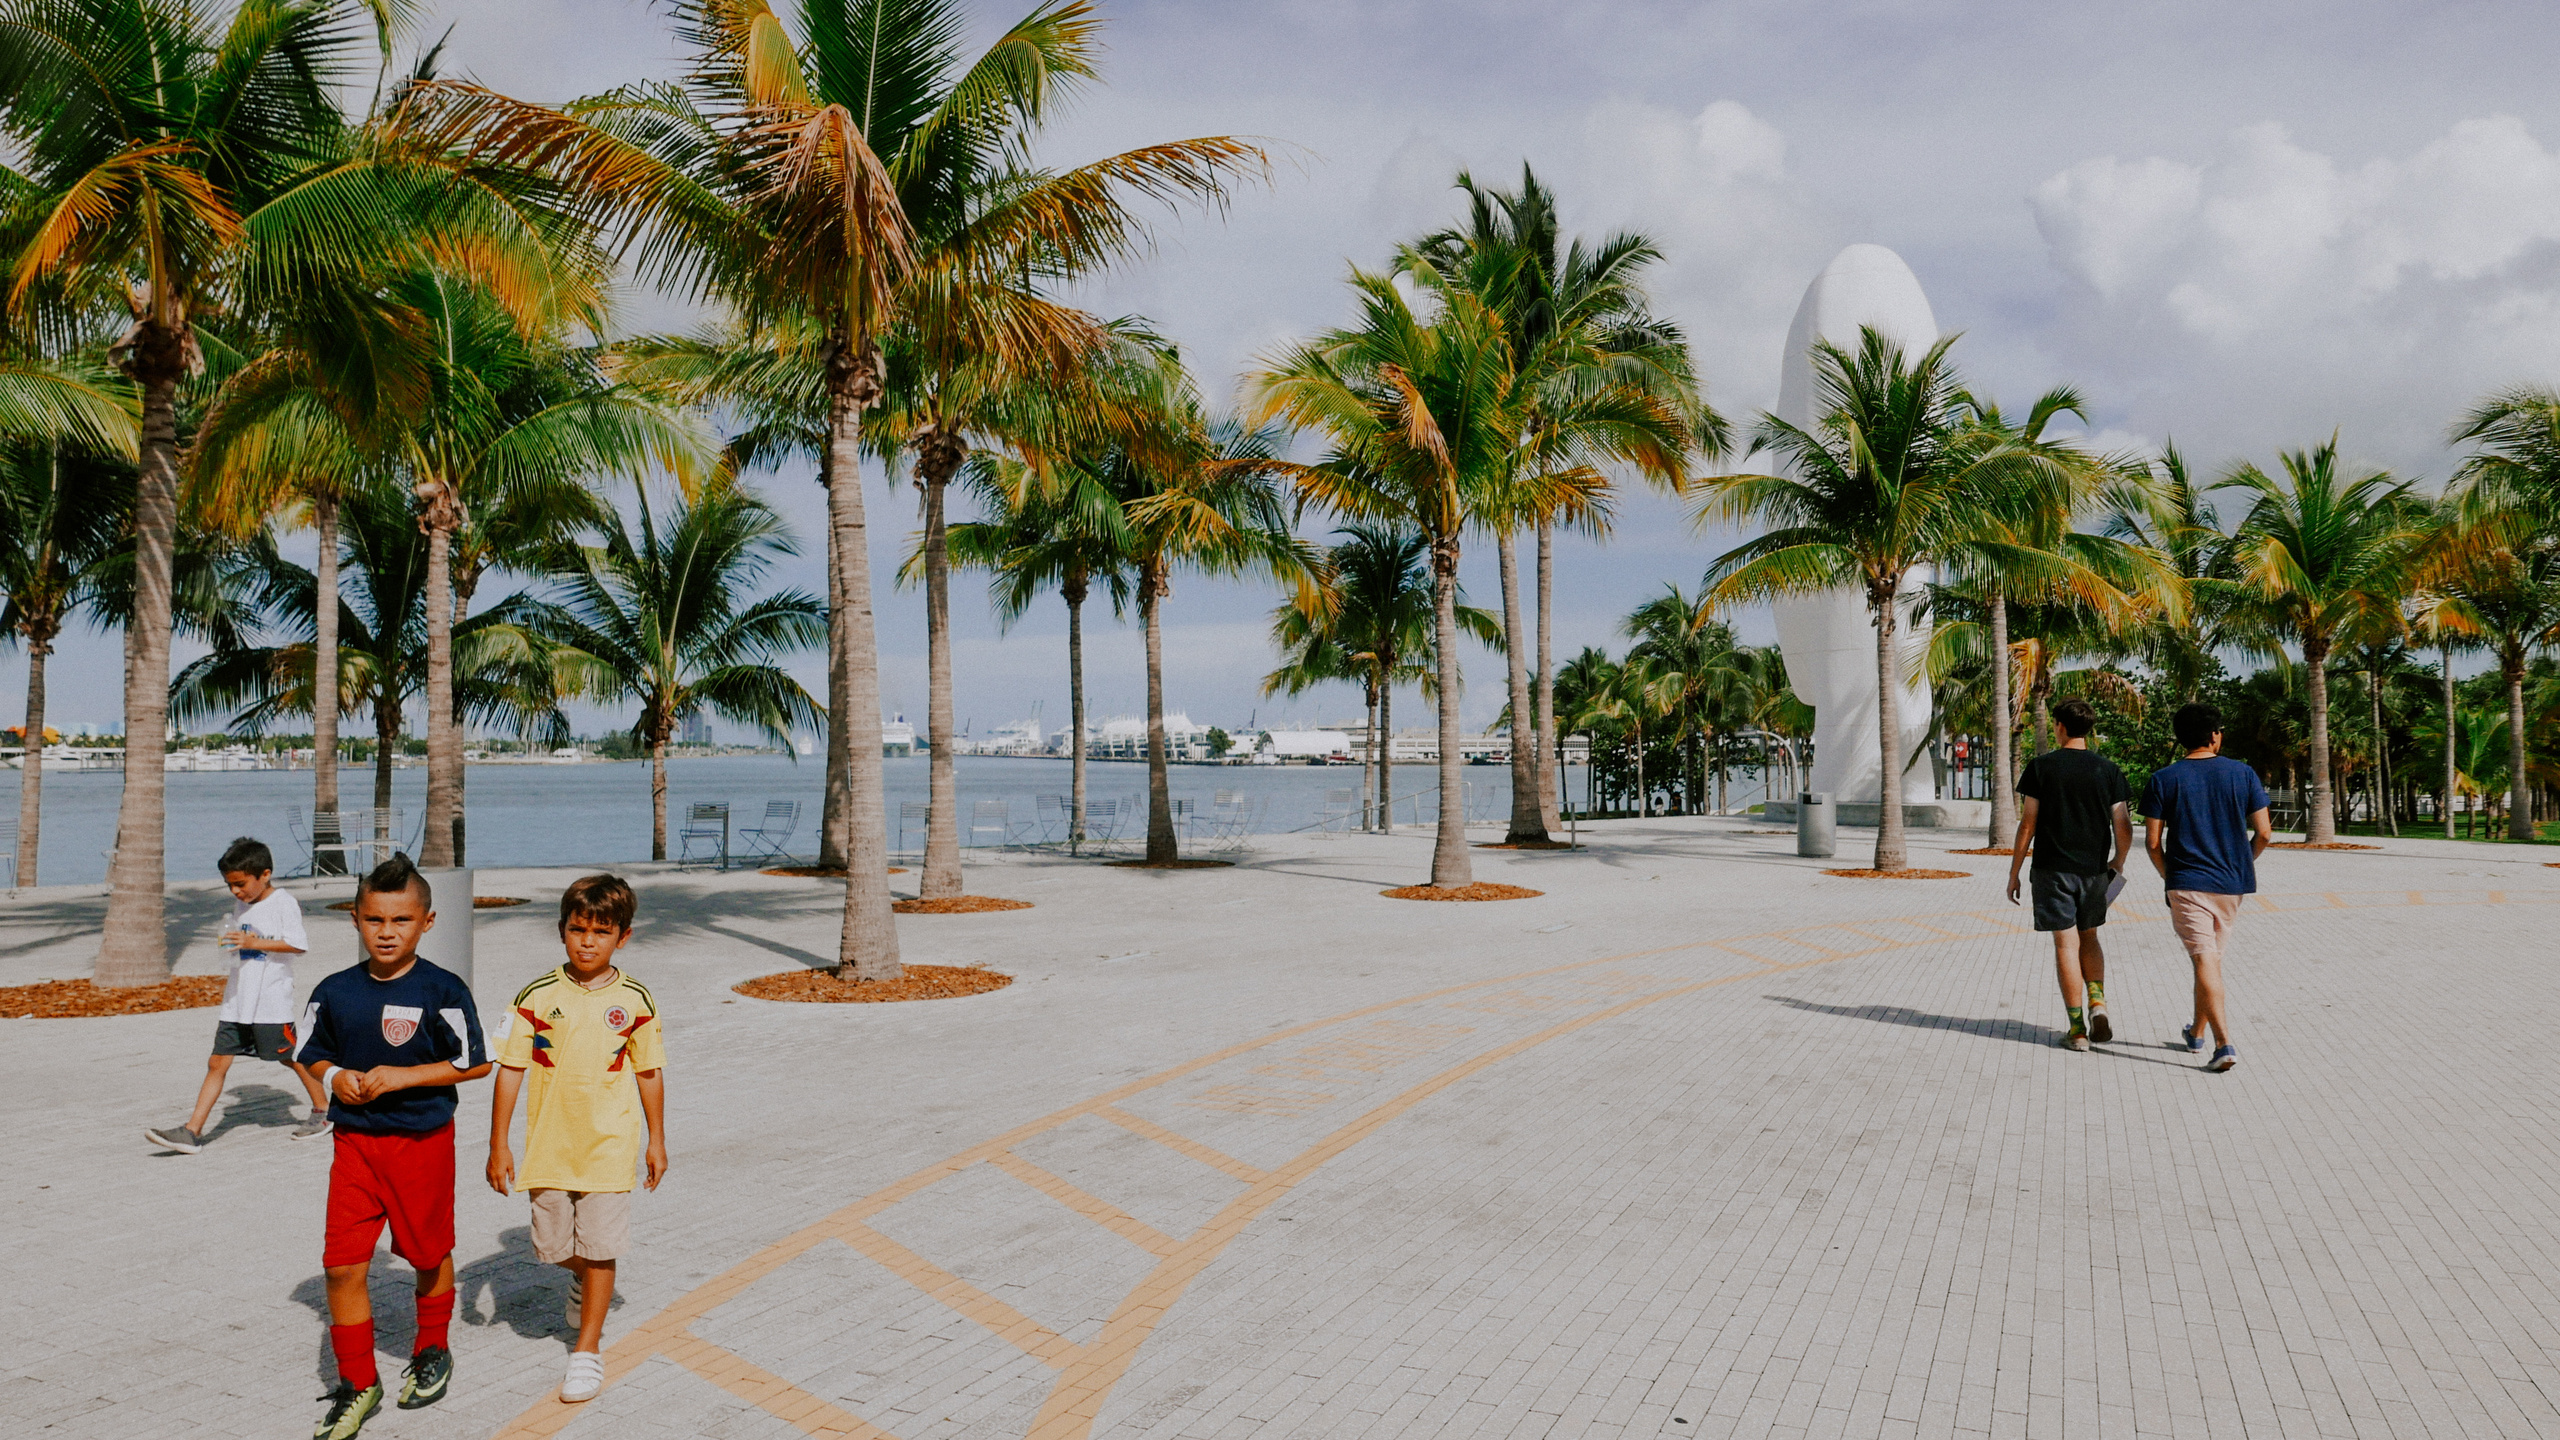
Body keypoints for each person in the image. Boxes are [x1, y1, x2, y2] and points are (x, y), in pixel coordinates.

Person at [292, 855, 491, 1439]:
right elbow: (305, 1047)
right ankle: (358, 1382)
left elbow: (472, 1061)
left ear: (426, 922)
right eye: (375, 919)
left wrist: (404, 1077)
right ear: (355, 918)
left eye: (401, 920)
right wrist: (333, 1078)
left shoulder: (442, 989)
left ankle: (432, 1347)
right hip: (355, 1145)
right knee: (339, 1265)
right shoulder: (335, 991)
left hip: (422, 1144)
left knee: (427, 1255)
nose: (386, 931)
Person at [487, 873, 668, 1406]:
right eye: (577, 929)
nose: (587, 941)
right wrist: (498, 1143)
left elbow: (649, 1072)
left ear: (623, 937)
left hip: (609, 1145)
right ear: (562, 930)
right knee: (550, 1248)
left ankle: (586, 1350)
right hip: (549, 1146)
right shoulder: (536, 996)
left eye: (600, 932)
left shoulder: (636, 1000)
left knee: (603, 1248)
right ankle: (585, 1278)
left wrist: (656, 1140)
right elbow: (511, 1069)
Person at [146, 837, 330, 1152]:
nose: (235, 891)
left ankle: (324, 1112)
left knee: (292, 1057)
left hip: (270, 1001)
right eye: (230, 885)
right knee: (217, 1061)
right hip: (237, 1000)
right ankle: (192, 1131)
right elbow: (243, 940)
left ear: (265, 874)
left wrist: (254, 944)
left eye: (241, 884)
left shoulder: (284, 902)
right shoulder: (242, 904)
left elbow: (298, 945)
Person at [2138, 701, 2272, 1073]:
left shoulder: (2163, 778)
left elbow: (2152, 842)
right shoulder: (2243, 774)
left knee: (2204, 960)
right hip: (2231, 886)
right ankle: (2196, 1032)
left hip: (2187, 882)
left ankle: (2223, 1042)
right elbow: (2264, 833)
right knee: (2209, 959)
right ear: (2215, 735)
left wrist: (2170, 877)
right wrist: (2241, 862)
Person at [2006, 698, 2133, 1051]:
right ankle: (2098, 1004)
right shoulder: (2108, 769)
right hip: (2093, 872)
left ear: (2060, 726)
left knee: (2065, 944)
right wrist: (2118, 862)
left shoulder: (2041, 767)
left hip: (2052, 871)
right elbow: (2122, 823)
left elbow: (2028, 823)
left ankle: (2077, 1030)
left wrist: (2014, 872)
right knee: (2089, 937)